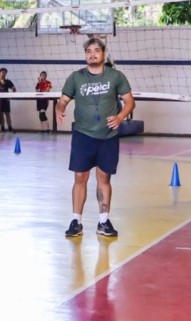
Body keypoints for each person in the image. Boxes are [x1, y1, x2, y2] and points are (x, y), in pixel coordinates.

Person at [55, 37, 135, 239]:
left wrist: (119, 117)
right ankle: (76, 221)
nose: (92, 54)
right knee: (80, 178)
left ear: (103, 53)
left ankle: (103, 222)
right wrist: (60, 109)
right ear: (85, 55)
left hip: (108, 136)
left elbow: (129, 102)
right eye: (88, 51)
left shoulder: (116, 77)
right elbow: (63, 100)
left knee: (104, 178)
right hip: (83, 135)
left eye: (96, 50)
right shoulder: (76, 77)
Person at [0, 67, 16, 132]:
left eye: (5, 72)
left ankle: (10, 127)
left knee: (7, 114)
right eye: (2, 72)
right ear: (0, 73)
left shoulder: (8, 81)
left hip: (6, 100)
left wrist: (10, 97)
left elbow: (14, 89)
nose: (4, 73)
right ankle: (2, 127)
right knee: (1, 114)